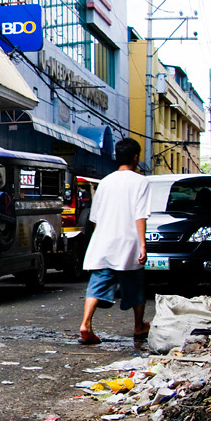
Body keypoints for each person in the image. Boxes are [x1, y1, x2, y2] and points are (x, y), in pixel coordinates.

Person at [78, 138, 151, 345]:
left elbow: (94, 217)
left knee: (97, 282)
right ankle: (138, 326)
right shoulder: (141, 182)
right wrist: (143, 244)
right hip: (128, 242)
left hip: (104, 241)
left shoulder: (105, 182)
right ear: (135, 157)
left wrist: (96, 242)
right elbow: (140, 215)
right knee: (135, 283)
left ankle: (86, 323)